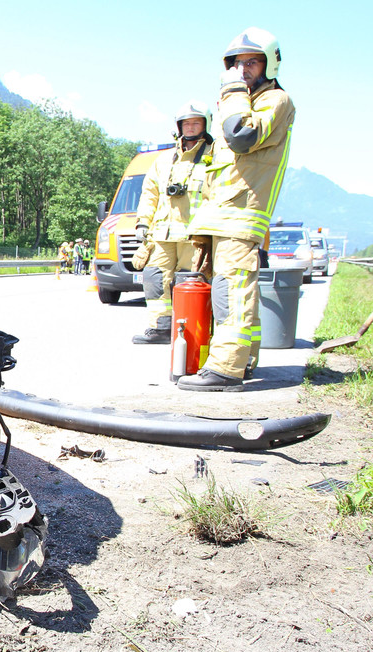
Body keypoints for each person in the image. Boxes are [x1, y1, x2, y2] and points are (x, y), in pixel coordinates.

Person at [178, 27, 295, 391]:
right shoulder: (246, 100)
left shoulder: (275, 100)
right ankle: (245, 359)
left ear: (269, 63)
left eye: (252, 61)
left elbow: (242, 136)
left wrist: (229, 94)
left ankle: (227, 368)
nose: (243, 70)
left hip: (240, 216)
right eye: (237, 63)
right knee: (233, 292)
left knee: (232, 292)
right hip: (224, 217)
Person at [131, 101, 215, 344]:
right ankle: (160, 327)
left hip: (195, 235)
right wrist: (142, 224)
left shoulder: (214, 156)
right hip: (163, 234)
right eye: (185, 123)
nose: (190, 127)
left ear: (205, 125)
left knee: (192, 284)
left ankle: (193, 331)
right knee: (155, 279)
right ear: (178, 127)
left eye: (195, 122)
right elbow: (150, 193)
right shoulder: (163, 160)